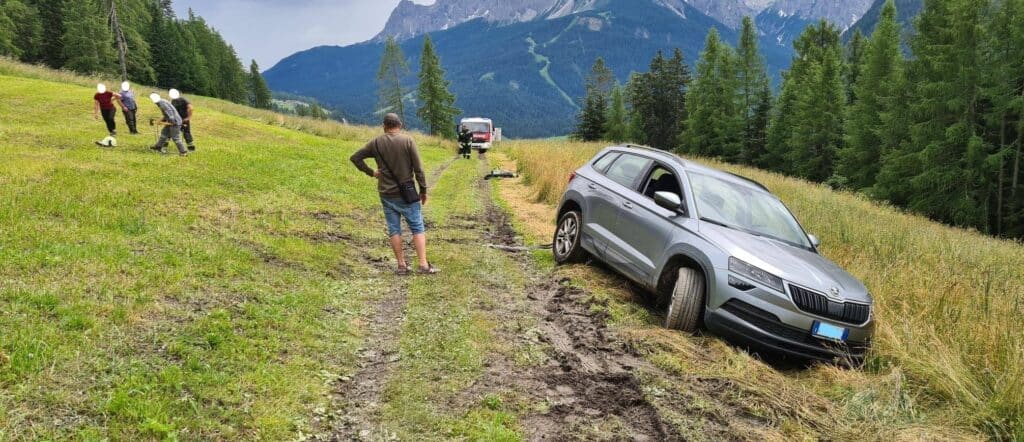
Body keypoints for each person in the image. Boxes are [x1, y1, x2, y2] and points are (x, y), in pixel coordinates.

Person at [350, 113, 439, 275]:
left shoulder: (376, 143)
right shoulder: (408, 141)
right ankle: (423, 265)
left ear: (384, 126)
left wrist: (372, 172)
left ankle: (401, 265)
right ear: (400, 125)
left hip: (386, 193)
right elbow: (418, 169)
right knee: (417, 227)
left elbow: (355, 158)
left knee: (394, 229)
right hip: (407, 194)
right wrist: (423, 190)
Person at [149, 93, 189, 157]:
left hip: (175, 121)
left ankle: (183, 152)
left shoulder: (162, 103)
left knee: (176, 137)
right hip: (171, 120)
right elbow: (166, 114)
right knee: (164, 133)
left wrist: (173, 121)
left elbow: (169, 111)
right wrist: (160, 120)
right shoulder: (162, 101)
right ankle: (158, 147)